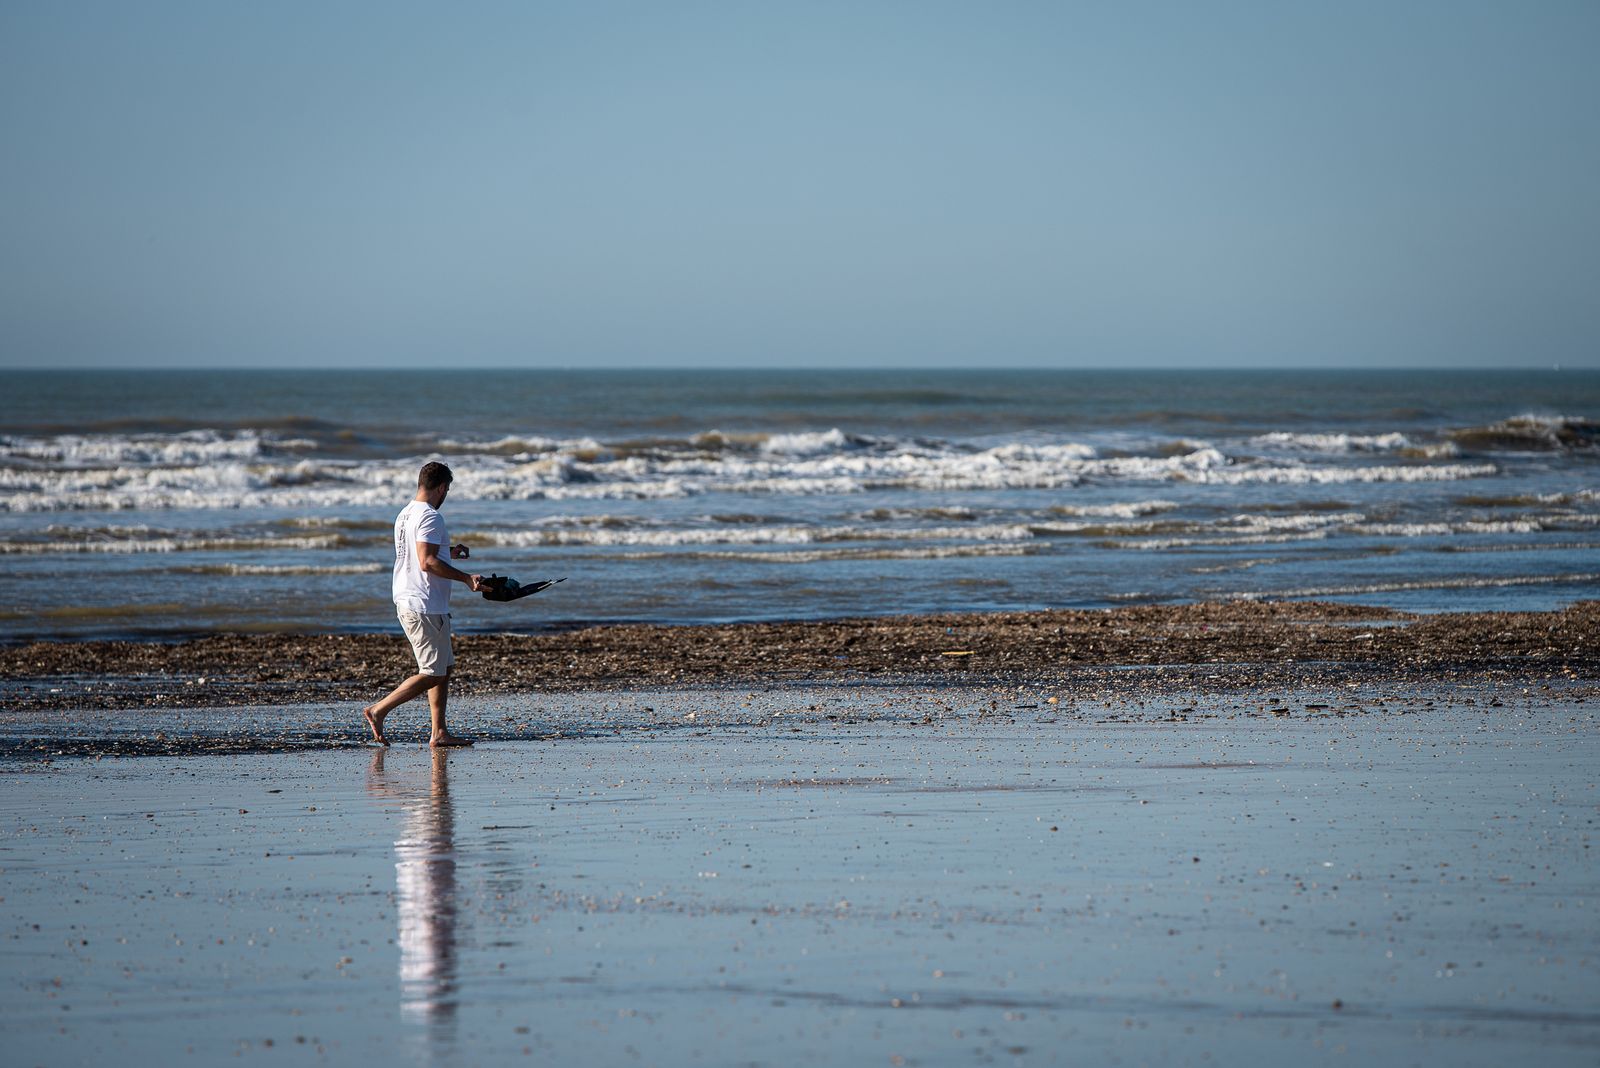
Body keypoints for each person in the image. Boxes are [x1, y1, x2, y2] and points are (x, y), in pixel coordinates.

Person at [363, 461, 483, 747]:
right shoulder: (431, 516)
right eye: (447, 490)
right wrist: (466, 578)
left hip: (417, 599)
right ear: (441, 488)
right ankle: (378, 710)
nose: (446, 496)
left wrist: (449, 552)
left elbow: (420, 552)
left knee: (445, 667)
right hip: (423, 603)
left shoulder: (406, 514)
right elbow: (426, 562)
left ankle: (439, 732)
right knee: (432, 672)